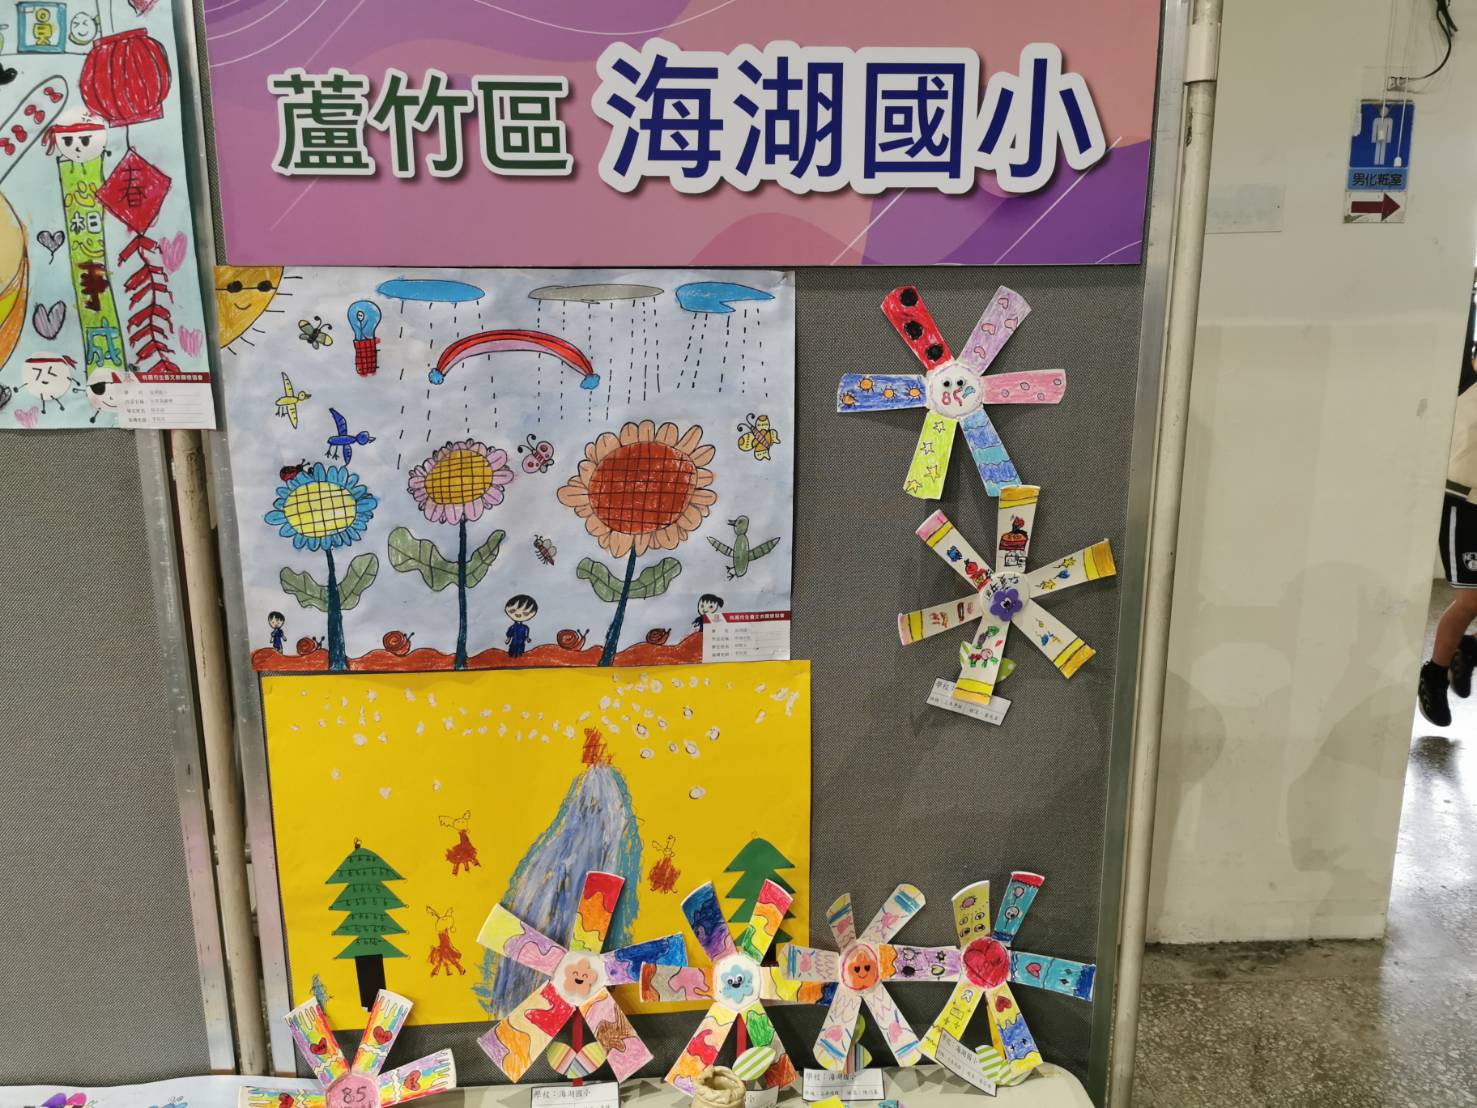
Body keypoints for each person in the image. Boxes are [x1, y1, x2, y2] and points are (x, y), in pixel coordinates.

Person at [1418, 366, 1477, 726]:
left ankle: (1469, 649)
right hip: (1465, 502)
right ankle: (1435, 675)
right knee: (1471, 600)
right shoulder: (1467, 377)